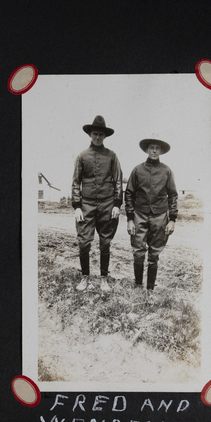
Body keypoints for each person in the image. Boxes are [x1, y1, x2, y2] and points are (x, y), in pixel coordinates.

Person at [71, 115, 123, 292]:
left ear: (105, 136)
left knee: (105, 243)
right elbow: (76, 182)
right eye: (95, 134)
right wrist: (77, 206)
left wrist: (117, 203)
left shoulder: (112, 156)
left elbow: (117, 180)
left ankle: (104, 278)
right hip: (86, 205)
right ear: (90, 135)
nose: (97, 137)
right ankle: (84, 277)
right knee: (84, 242)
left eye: (101, 134)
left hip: (108, 204)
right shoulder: (82, 156)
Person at [125, 138, 178, 290]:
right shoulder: (137, 170)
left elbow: (173, 195)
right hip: (139, 215)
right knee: (138, 252)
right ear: (146, 150)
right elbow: (129, 194)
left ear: (161, 151)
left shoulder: (166, 171)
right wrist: (130, 219)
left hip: (160, 216)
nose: (154, 150)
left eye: (157, 148)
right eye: (151, 148)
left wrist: (172, 219)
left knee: (154, 254)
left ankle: (150, 289)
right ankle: (138, 286)